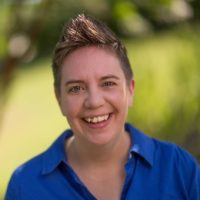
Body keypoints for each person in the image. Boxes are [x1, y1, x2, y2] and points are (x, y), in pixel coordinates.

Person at [5, 14, 200, 200]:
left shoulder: (179, 169)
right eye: (76, 88)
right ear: (59, 100)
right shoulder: (25, 187)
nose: (94, 101)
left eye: (107, 83)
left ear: (130, 90)